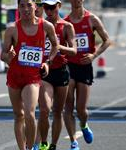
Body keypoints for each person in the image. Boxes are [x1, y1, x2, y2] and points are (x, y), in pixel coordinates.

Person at [0, 0, 59, 150]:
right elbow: (2, 55)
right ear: (18, 7)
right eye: (22, 5)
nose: (25, 9)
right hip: (14, 76)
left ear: (35, 6)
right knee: (18, 115)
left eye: (29, 5)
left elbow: (55, 45)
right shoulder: (12, 29)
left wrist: (48, 62)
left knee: (29, 113)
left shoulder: (46, 26)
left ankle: (32, 146)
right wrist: (9, 57)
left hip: (32, 78)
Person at [63, 0, 111, 150]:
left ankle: (83, 125)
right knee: (68, 108)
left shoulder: (92, 19)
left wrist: (94, 55)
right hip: (69, 67)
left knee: (81, 110)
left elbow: (107, 40)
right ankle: (73, 142)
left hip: (85, 67)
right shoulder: (65, 23)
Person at [36, 0, 77, 150]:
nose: (49, 11)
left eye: (52, 7)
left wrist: (57, 46)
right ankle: (43, 143)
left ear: (59, 5)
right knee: (45, 109)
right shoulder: (40, 25)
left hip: (61, 71)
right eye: (46, 7)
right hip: (45, 72)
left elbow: (74, 51)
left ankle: (53, 145)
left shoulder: (67, 26)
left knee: (58, 112)